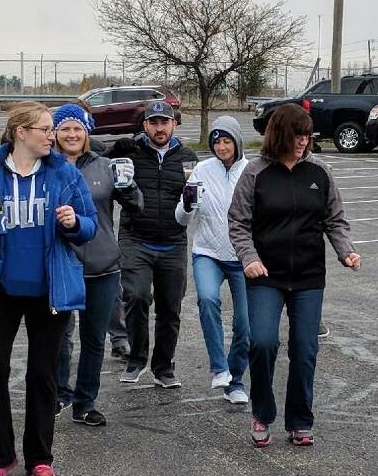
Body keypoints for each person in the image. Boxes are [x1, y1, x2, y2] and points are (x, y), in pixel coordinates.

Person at [0, 103, 97, 476]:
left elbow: (90, 226)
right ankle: (0, 457)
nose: (52, 136)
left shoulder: (64, 173)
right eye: (45, 129)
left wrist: (73, 223)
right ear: (21, 132)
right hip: (0, 289)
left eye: (51, 129)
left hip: (48, 290)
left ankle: (40, 457)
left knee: (42, 372)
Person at [228, 103, 361, 448]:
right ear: (279, 135)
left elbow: (335, 219)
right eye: (297, 135)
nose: (303, 142)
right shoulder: (255, 172)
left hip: (308, 275)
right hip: (264, 275)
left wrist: (345, 250)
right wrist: (249, 258)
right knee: (262, 343)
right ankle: (262, 412)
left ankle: (300, 420)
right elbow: (238, 222)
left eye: (307, 136)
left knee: (304, 348)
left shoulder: (319, 172)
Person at [53, 104, 144, 426]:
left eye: (78, 128)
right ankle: (59, 393)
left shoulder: (105, 166)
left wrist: (129, 186)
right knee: (59, 337)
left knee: (94, 339)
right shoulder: (45, 167)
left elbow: (137, 205)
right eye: (65, 128)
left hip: (103, 266)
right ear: (54, 133)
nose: (72, 134)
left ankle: (85, 403)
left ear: (87, 131)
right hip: (61, 266)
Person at [107, 100, 197, 388]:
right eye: (153, 122)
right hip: (136, 239)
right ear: (144, 125)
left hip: (173, 241)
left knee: (170, 307)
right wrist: (112, 151)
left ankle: (163, 367)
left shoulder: (188, 157)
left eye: (165, 122)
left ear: (174, 124)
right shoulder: (130, 153)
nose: (160, 128)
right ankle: (136, 359)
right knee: (136, 296)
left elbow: (198, 196)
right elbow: (94, 164)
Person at [175, 116, 250, 404]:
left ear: (237, 141)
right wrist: (187, 204)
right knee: (207, 300)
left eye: (226, 140)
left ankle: (236, 380)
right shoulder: (202, 171)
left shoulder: (252, 171)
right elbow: (181, 220)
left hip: (243, 256)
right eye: (216, 141)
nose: (221, 147)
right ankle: (219, 369)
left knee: (245, 325)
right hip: (208, 252)